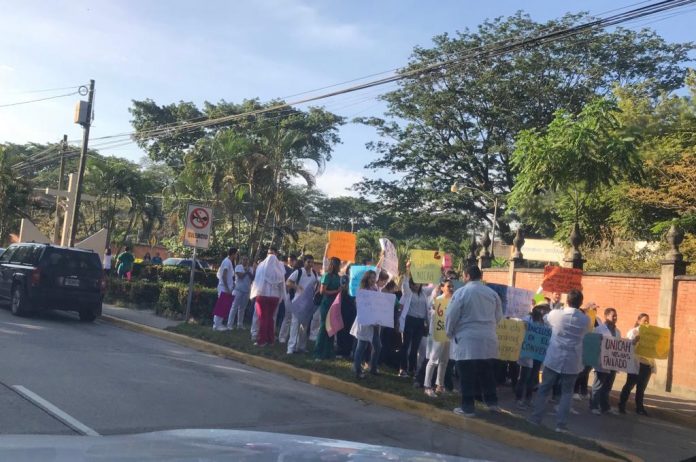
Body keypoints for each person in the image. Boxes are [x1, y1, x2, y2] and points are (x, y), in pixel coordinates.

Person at [446, 265, 503, 417]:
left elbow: (451, 315)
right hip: (488, 339)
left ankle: (467, 407)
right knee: (487, 374)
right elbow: (498, 317)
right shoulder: (492, 293)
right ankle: (492, 403)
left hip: (467, 339)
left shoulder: (461, 292)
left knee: (467, 376)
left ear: (466, 276)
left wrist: (449, 332)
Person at [529, 289, 589, 433]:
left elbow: (545, 320)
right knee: (567, 393)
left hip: (554, 357)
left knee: (544, 389)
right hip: (572, 361)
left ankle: (536, 419)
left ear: (567, 301)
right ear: (580, 303)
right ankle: (561, 425)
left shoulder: (556, 314)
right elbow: (586, 332)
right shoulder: (585, 319)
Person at [399, 262, 433, 377]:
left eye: (418, 283)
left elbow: (433, 286)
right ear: (411, 284)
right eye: (414, 283)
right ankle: (402, 369)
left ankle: (412, 369)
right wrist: (408, 269)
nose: (416, 285)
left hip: (420, 323)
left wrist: (438, 272)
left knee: (415, 347)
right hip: (409, 320)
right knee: (406, 345)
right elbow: (404, 284)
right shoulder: (408, 293)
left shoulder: (424, 293)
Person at [619, 313, 654, 416]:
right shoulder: (633, 332)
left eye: (648, 321)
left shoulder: (650, 333)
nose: (646, 323)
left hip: (646, 364)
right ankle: (622, 404)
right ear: (638, 321)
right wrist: (634, 341)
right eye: (644, 321)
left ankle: (639, 408)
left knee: (641, 388)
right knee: (629, 385)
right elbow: (627, 346)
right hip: (636, 363)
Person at [249, 247, 286, 346]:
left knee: (262, 318)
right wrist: (282, 296)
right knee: (270, 318)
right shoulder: (279, 269)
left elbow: (257, 281)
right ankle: (270, 339)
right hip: (275, 297)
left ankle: (261, 340)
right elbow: (282, 285)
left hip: (263, 296)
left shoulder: (262, 267)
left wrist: (255, 293)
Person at [424, 280, 453, 398]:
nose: (451, 288)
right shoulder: (437, 300)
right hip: (437, 333)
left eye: (452, 286)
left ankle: (439, 385)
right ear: (442, 288)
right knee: (433, 359)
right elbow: (430, 313)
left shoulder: (453, 301)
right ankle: (427, 386)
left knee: (444, 360)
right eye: (448, 286)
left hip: (448, 334)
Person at [515, 304, 548, 408]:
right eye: (543, 312)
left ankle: (528, 399)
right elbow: (519, 329)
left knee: (533, 377)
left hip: (537, 354)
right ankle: (519, 399)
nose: (544, 314)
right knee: (524, 377)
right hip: (527, 353)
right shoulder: (527, 320)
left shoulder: (546, 323)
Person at [590, 307, 621, 415]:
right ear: (606, 316)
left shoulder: (617, 331)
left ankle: (605, 407)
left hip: (612, 363)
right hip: (601, 362)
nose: (615, 318)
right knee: (598, 385)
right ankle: (593, 405)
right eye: (613, 315)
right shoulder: (599, 329)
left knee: (608, 386)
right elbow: (593, 343)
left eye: (616, 316)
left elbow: (620, 346)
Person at [351, 270, 382, 378]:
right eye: (371, 278)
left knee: (378, 346)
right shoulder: (363, 290)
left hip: (374, 323)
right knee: (361, 346)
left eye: (374, 277)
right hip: (364, 323)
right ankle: (357, 369)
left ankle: (372, 367)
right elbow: (357, 304)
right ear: (367, 279)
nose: (373, 280)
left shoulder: (376, 289)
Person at [286, 255, 320, 355]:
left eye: (312, 262)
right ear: (304, 262)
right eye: (308, 262)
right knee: (294, 325)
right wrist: (297, 287)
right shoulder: (299, 272)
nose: (310, 264)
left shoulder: (314, 273)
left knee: (304, 326)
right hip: (297, 301)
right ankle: (290, 348)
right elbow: (288, 282)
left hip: (308, 302)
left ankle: (301, 347)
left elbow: (317, 283)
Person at [315, 257, 343, 360]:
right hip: (326, 304)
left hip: (334, 305)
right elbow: (323, 291)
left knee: (331, 328)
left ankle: (328, 352)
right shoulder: (327, 275)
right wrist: (336, 291)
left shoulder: (337, 277)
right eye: (338, 264)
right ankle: (318, 352)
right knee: (323, 328)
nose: (340, 266)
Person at [212, 247, 238, 331]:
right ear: (233, 254)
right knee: (221, 305)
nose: (237, 256)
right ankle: (217, 325)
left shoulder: (228, 261)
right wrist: (227, 288)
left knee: (224, 306)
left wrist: (232, 284)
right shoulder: (227, 262)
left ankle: (219, 323)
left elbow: (229, 276)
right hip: (224, 288)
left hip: (226, 287)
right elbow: (224, 275)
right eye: (236, 254)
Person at [227, 255, 254, 329]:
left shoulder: (250, 268)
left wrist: (249, 272)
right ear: (241, 260)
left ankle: (240, 324)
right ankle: (229, 324)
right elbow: (240, 276)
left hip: (246, 291)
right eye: (244, 259)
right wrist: (246, 272)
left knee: (242, 308)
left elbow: (252, 278)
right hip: (238, 290)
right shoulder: (238, 267)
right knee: (234, 307)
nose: (245, 261)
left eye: (247, 260)